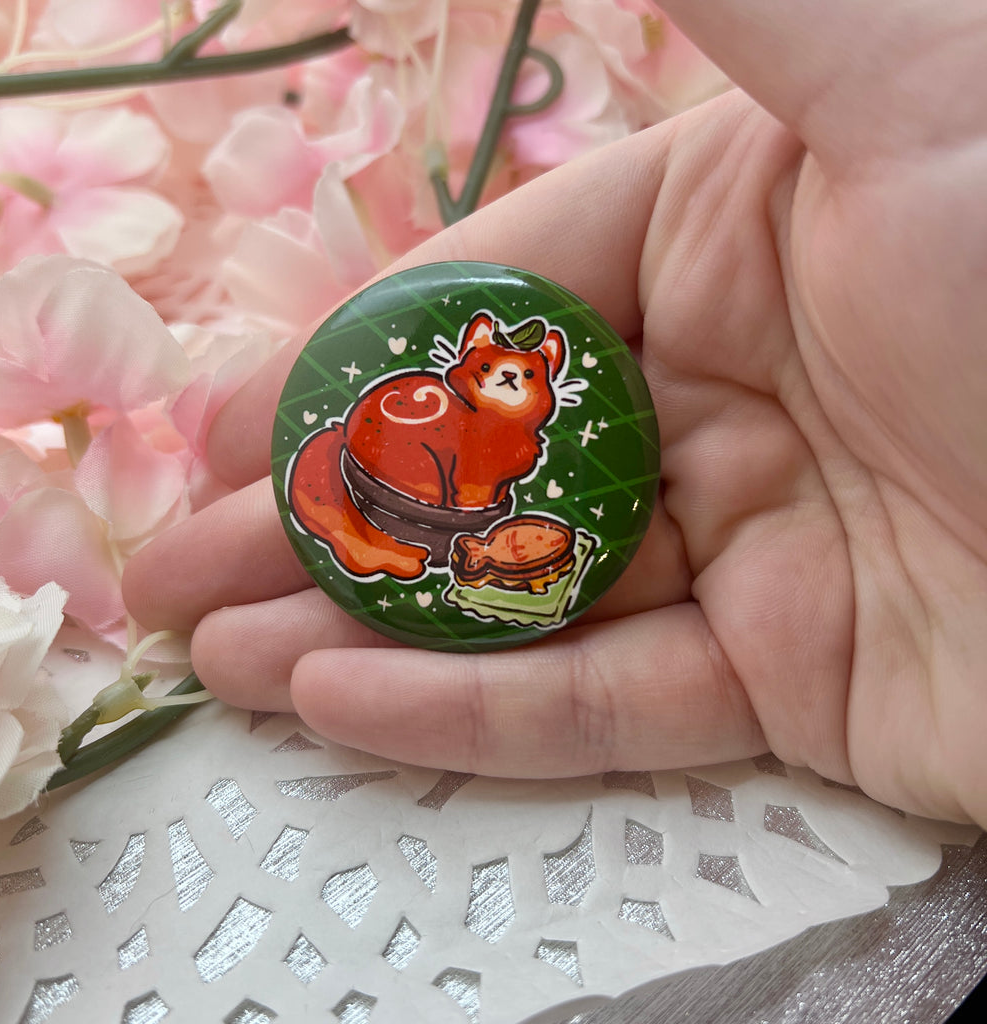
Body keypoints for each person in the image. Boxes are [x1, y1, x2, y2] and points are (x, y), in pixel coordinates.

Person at [123, 0, 987, 829]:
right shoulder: (443, 409)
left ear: (539, 378)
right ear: (472, 363)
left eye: (518, 378)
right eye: (490, 372)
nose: (500, 388)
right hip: (420, 502)